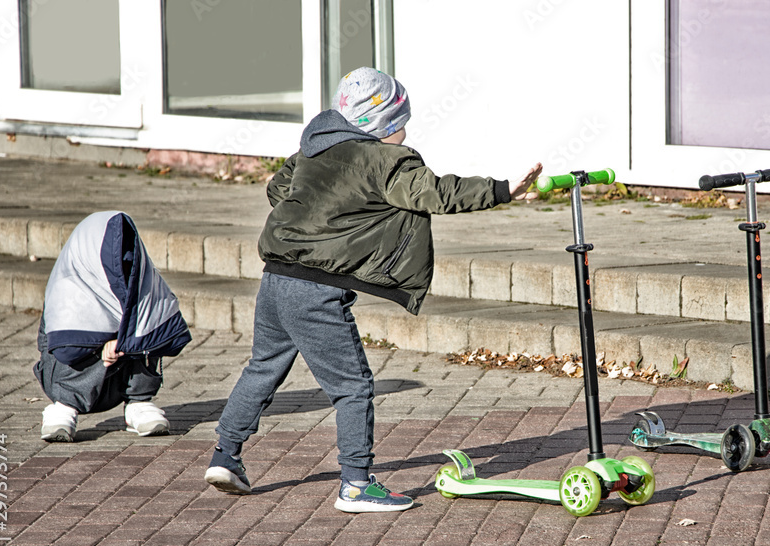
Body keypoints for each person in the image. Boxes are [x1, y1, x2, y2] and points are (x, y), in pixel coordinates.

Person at [205, 67, 541, 511]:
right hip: (315, 290)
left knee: (262, 366)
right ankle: (357, 485)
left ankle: (225, 455)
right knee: (354, 386)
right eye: (400, 122)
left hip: (275, 278)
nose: (405, 131)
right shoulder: (386, 162)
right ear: (380, 125)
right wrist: (502, 190)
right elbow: (436, 193)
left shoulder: (313, 148)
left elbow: (278, 189)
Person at [35, 211, 192, 442]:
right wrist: (103, 349)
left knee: (148, 325)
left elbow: (171, 335)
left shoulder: (140, 275)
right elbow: (66, 351)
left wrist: (125, 341)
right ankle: (63, 408)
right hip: (72, 378)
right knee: (70, 343)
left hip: (121, 371)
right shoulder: (67, 287)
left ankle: (139, 403)